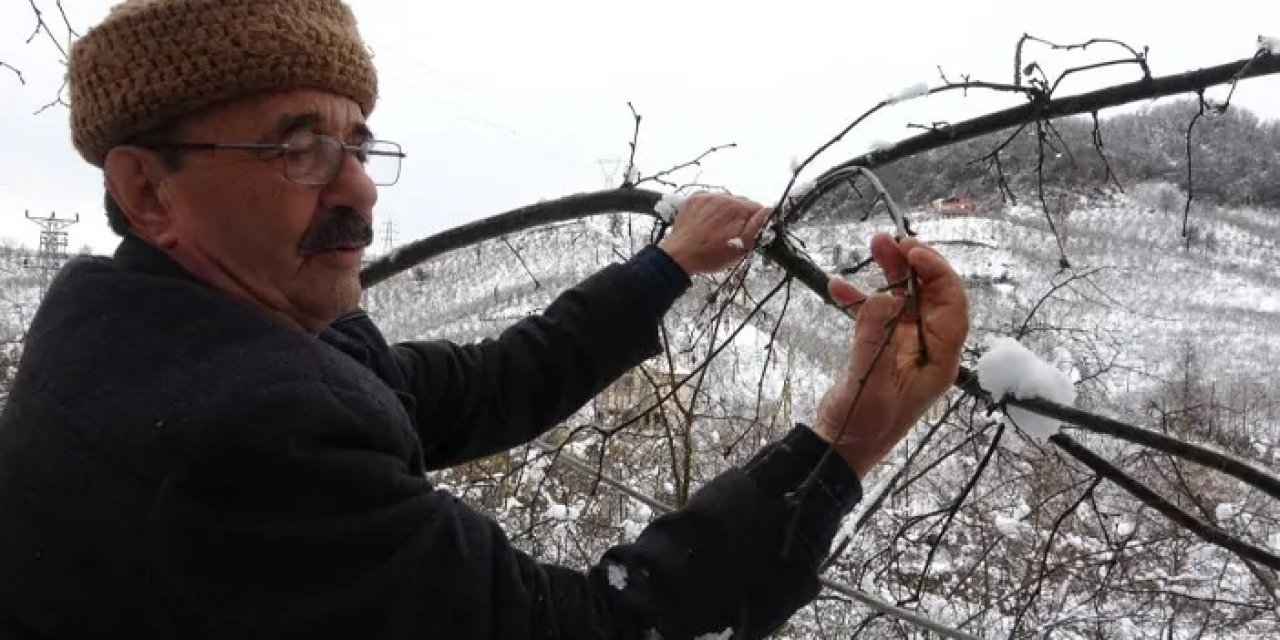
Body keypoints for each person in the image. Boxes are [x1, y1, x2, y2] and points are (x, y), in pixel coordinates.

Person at [0, 1, 970, 638]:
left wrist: (662, 268)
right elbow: (591, 629)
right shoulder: (240, 434)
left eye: (357, 143)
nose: (358, 191)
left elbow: (483, 385)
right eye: (298, 147)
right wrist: (851, 432)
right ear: (147, 188)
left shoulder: (170, 329)